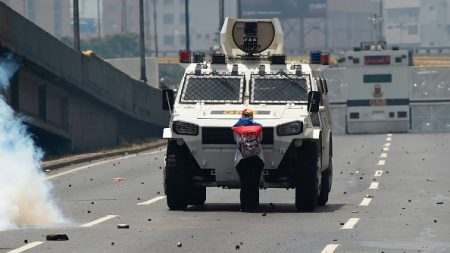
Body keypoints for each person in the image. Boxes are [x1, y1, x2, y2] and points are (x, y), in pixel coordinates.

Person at [231, 108, 265, 212]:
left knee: (245, 183)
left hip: (241, 159)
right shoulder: (258, 127)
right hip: (257, 158)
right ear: (252, 116)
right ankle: (254, 206)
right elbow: (260, 140)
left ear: (242, 116)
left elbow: (236, 141)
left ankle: (244, 206)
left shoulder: (236, 128)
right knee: (254, 183)